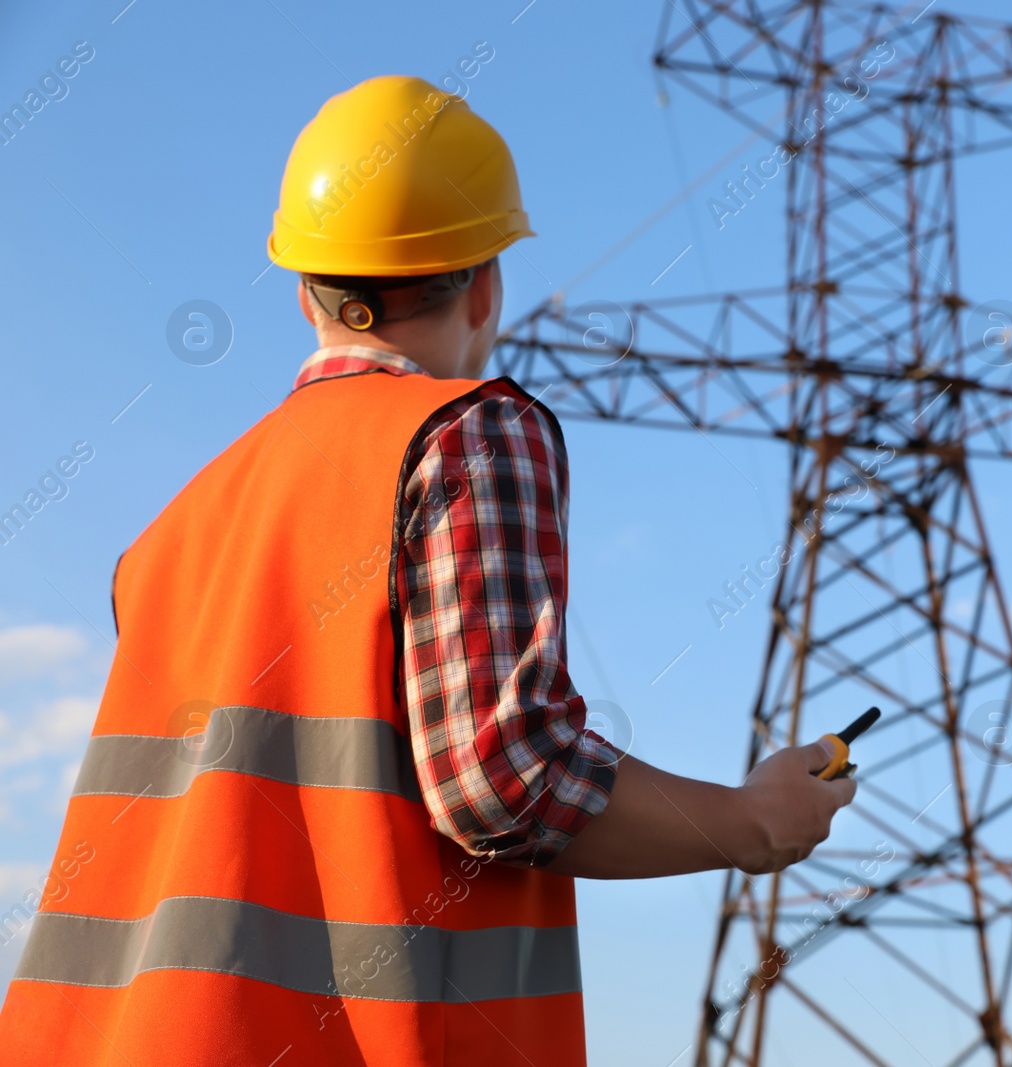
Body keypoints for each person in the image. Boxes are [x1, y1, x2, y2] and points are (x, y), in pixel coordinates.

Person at [0, 75, 855, 1066]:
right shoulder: (470, 434)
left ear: (301, 288)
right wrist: (751, 821)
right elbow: (505, 777)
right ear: (485, 284)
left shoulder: (174, 526)